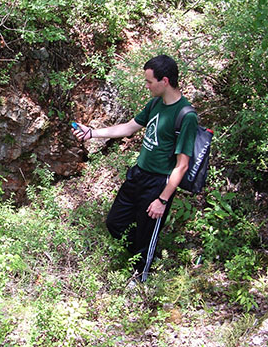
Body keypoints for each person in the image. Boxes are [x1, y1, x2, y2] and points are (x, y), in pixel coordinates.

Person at [72, 54, 198, 282]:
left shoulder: (186, 116)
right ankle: (144, 254)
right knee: (115, 222)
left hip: (159, 184)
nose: (147, 85)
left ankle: (141, 275)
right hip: (138, 175)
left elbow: (182, 165)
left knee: (147, 231)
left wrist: (162, 200)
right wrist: (92, 133)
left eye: (150, 81)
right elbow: (129, 127)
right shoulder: (155, 104)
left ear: (165, 81)